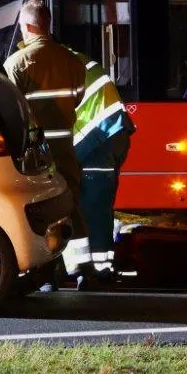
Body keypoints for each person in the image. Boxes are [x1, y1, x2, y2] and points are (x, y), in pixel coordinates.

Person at [3, 0, 87, 286]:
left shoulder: (16, 64)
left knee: (43, 209)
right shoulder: (73, 61)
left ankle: (46, 273)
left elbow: (12, 111)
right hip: (65, 146)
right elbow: (78, 98)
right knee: (71, 203)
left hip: (36, 152)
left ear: (27, 26)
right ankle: (82, 270)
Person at [70, 49, 136, 288]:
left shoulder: (60, 65)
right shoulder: (77, 61)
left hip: (99, 140)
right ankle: (96, 269)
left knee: (92, 209)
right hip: (109, 136)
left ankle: (96, 271)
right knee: (97, 209)